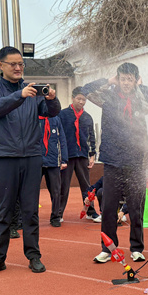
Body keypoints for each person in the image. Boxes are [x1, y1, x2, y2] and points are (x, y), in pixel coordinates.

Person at [0, 46, 61, 276]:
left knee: (30, 210)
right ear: (1, 65)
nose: (18, 68)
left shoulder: (32, 91)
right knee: (4, 210)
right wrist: (20, 95)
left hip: (32, 156)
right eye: (13, 64)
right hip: (5, 157)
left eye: (21, 64)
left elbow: (51, 112)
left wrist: (52, 99)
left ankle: (33, 256)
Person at [83, 62, 148, 264]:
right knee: (108, 207)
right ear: (118, 79)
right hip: (113, 160)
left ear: (135, 80)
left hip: (136, 160)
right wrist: (108, 81)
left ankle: (137, 248)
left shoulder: (140, 98)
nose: (126, 83)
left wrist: (141, 87)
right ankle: (108, 248)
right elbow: (86, 90)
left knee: (136, 206)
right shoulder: (108, 96)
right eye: (122, 79)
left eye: (129, 79)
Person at [59, 87, 97, 221]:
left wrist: (92, 155)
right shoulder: (62, 115)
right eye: (79, 99)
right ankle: (58, 214)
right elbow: (58, 135)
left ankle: (90, 211)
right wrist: (60, 155)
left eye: (84, 100)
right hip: (67, 156)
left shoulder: (87, 117)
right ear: (72, 98)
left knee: (86, 186)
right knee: (63, 186)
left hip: (82, 155)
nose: (81, 102)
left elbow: (92, 137)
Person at [40, 113, 68, 226]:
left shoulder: (56, 119)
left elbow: (62, 139)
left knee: (56, 191)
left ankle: (56, 217)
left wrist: (64, 159)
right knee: (31, 192)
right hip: (37, 161)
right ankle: (30, 217)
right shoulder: (34, 117)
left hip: (53, 161)